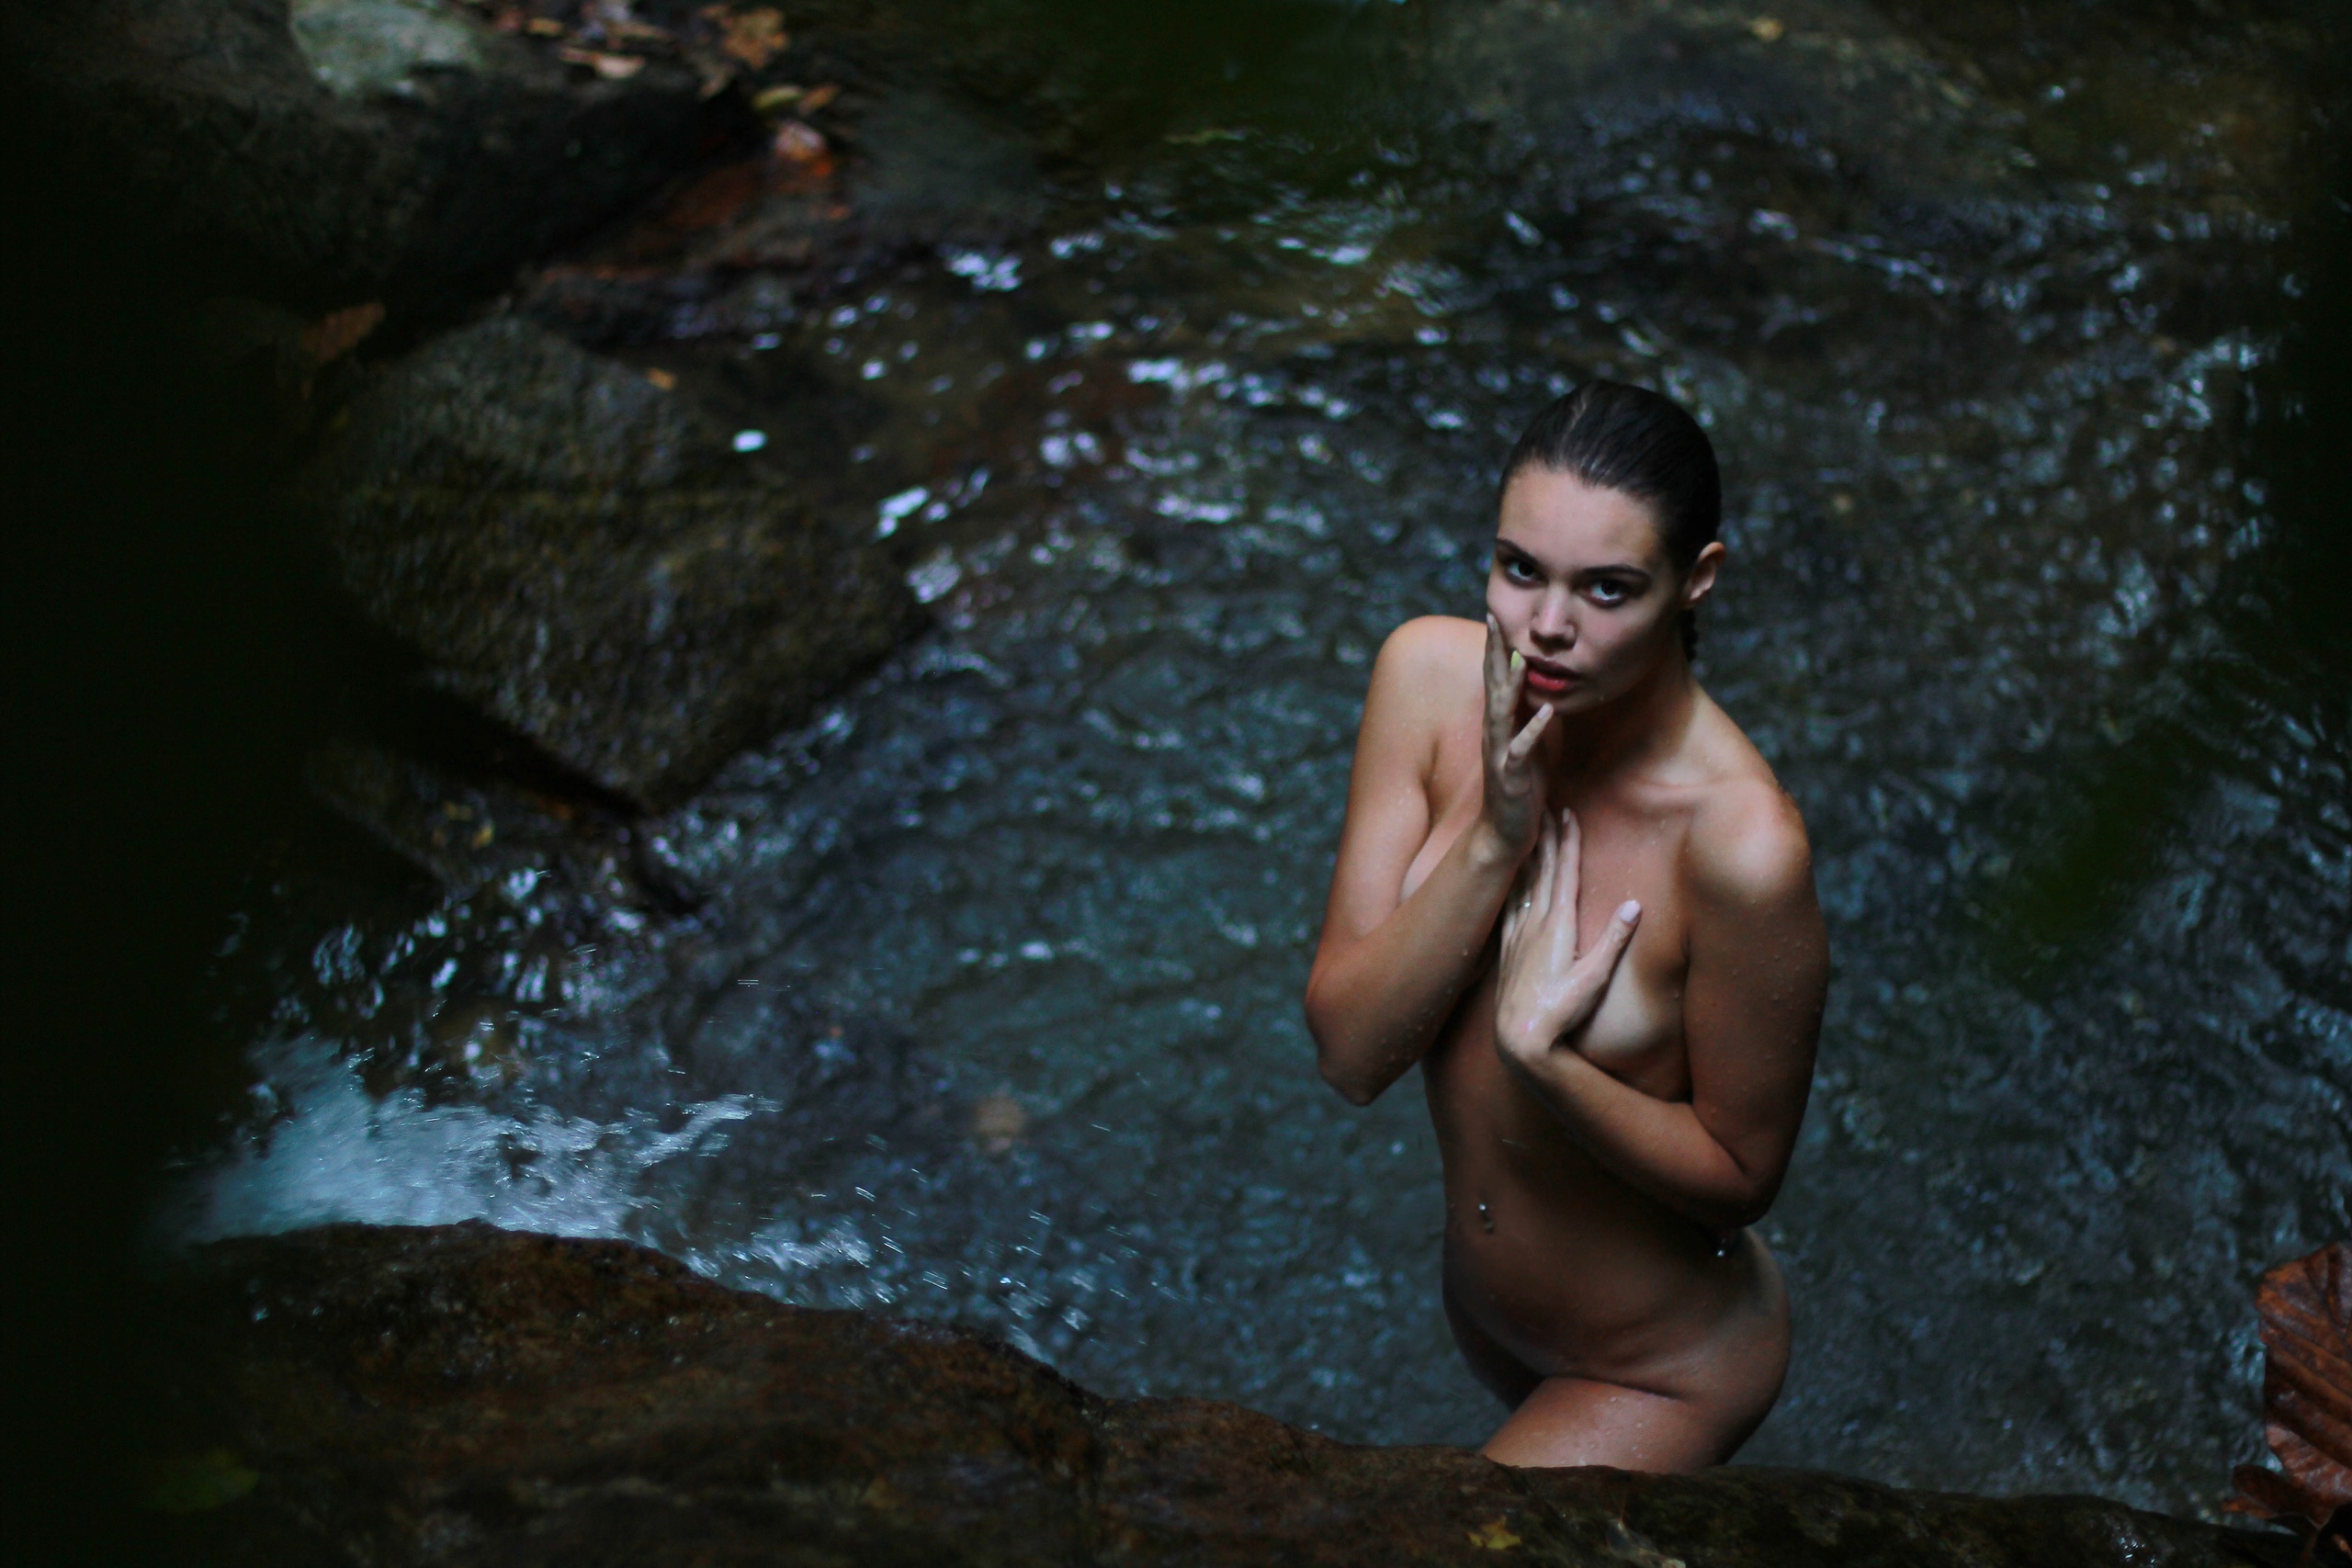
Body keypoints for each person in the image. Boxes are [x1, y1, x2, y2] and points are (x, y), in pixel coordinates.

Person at [1304, 380, 1828, 1471]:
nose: (1547, 626)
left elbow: (1745, 1174)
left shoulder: (1739, 845)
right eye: (1519, 570)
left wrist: (1549, 1064)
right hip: (1489, 1312)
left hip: (1655, 1365)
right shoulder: (1425, 681)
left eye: (1607, 589)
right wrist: (1494, 838)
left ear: (1696, 581)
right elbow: (1350, 1055)